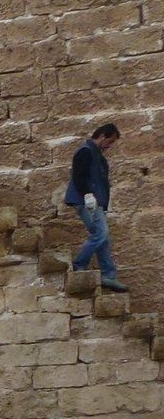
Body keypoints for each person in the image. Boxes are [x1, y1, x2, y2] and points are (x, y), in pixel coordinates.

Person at [66, 122, 127, 295]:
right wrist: (87, 195)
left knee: (103, 238)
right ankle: (80, 265)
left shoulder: (95, 154)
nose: (110, 145)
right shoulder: (86, 151)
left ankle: (109, 274)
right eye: (110, 141)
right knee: (101, 233)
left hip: (93, 202)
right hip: (85, 200)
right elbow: (79, 176)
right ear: (102, 136)